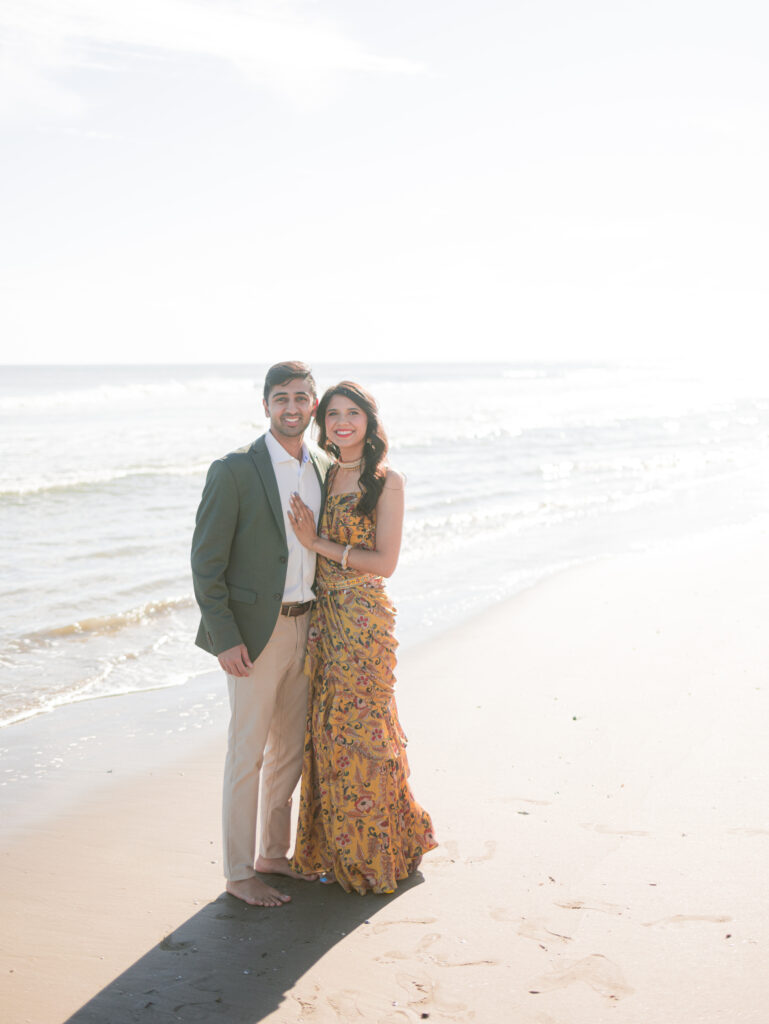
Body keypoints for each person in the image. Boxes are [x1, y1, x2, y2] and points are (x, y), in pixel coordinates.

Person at [191, 361, 332, 907]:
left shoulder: (322, 465)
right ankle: (238, 871)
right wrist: (225, 636)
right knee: (246, 754)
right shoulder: (234, 470)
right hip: (254, 635)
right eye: (281, 398)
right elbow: (206, 563)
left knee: (288, 753)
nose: (292, 407)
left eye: (301, 397)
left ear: (312, 404)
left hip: (307, 626)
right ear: (266, 405)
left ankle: (274, 854)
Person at [287, 381, 437, 894]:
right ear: (321, 423)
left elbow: (386, 563)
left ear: (369, 421)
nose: (342, 422)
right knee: (327, 733)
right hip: (322, 621)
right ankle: (331, 850)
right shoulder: (322, 474)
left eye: (353, 413)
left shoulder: (385, 481)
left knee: (365, 732)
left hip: (363, 621)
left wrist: (319, 543)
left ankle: (375, 853)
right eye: (332, 415)